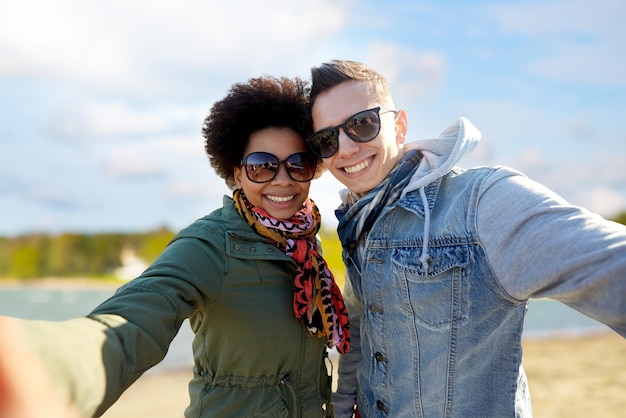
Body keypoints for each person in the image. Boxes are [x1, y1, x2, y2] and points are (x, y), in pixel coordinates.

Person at [0, 75, 350, 418]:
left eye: (297, 164)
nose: (282, 180)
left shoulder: (307, 244)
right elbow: (135, 320)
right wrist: (36, 367)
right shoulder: (210, 245)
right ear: (237, 172)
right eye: (262, 166)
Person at [305, 59, 626, 418]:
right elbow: (362, 330)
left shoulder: (480, 201)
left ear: (399, 126)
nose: (345, 148)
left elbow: (611, 264)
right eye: (327, 139)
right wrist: (344, 403)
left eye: (362, 124)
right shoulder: (359, 220)